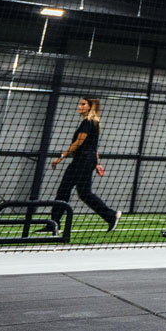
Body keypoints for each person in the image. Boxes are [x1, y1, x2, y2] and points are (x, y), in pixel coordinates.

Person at [43, 97, 120, 233]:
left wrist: (61, 157)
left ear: (90, 107)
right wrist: (96, 163)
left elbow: (78, 143)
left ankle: (53, 224)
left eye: (83, 104)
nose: (79, 106)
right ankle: (110, 215)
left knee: (64, 190)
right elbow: (94, 146)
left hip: (82, 161)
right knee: (84, 193)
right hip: (87, 161)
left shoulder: (87, 123)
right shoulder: (94, 123)